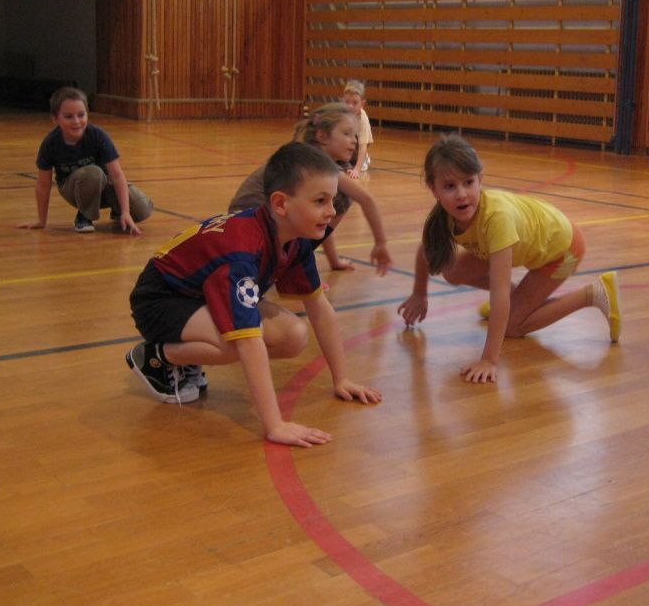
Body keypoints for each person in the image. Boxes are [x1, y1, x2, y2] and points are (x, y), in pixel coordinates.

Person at [125, 142, 382, 447]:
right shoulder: (242, 251)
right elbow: (248, 342)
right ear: (281, 204)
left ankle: (187, 353)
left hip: (197, 295)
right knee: (240, 341)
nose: (332, 211)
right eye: (320, 201)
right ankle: (156, 357)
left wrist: (342, 378)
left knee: (294, 335)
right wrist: (275, 425)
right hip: (159, 301)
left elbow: (319, 307)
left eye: (333, 200)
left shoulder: (294, 238)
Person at [397, 134, 622, 384]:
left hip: (564, 250)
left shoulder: (497, 219)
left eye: (468, 182)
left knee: (513, 326)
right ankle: (520, 301)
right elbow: (426, 251)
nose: (461, 194)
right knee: (452, 271)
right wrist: (419, 294)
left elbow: (499, 291)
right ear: (434, 189)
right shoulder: (445, 217)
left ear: (480, 179)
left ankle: (594, 293)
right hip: (533, 243)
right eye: (450, 186)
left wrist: (489, 360)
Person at [228, 103, 392, 275]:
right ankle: (289, 264)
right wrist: (381, 243)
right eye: (346, 133)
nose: (354, 140)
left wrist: (334, 261)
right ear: (322, 136)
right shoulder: (314, 164)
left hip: (249, 219)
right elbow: (366, 199)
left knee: (332, 199)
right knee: (340, 196)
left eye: (355, 135)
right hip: (250, 222)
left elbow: (322, 215)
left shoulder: (316, 160)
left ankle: (289, 261)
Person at [19, 87, 153, 235]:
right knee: (93, 173)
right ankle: (84, 216)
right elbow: (43, 184)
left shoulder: (98, 136)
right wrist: (41, 220)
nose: (76, 121)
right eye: (68, 116)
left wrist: (125, 211)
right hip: (73, 188)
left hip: (103, 184)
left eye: (81, 115)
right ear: (55, 118)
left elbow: (116, 175)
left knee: (142, 209)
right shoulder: (50, 144)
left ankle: (117, 212)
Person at [342, 80, 373, 179]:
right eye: (347, 102)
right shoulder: (340, 114)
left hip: (359, 147)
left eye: (355, 103)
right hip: (347, 148)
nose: (350, 106)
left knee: (358, 163)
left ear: (362, 104)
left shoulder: (362, 119)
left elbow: (363, 145)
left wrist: (357, 169)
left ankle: (363, 160)